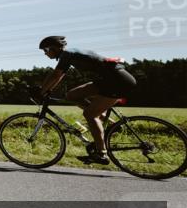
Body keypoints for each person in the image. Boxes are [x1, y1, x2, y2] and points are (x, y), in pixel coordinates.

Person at [35, 36, 137, 165]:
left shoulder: (67, 54)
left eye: (46, 50)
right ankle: (110, 124)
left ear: (54, 48)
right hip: (108, 80)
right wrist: (44, 89)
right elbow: (58, 75)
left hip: (117, 81)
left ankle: (101, 154)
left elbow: (56, 75)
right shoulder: (69, 53)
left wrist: (41, 92)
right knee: (72, 95)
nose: (45, 53)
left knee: (89, 114)